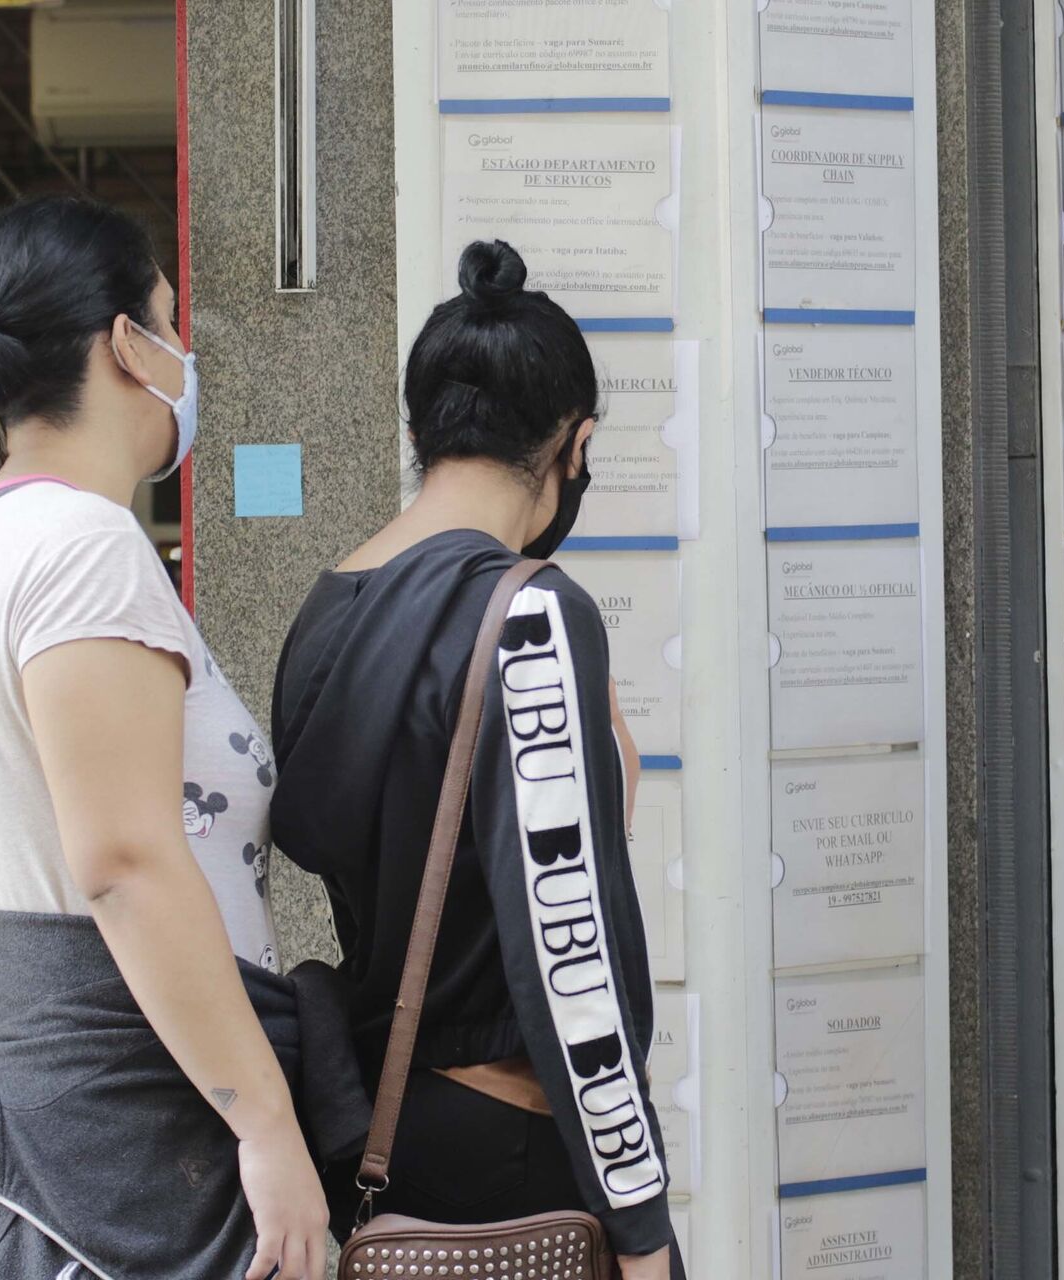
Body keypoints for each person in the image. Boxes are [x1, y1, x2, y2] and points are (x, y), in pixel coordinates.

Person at [0, 196, 357, 1280]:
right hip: (119, 1153)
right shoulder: (86, 545)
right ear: (126, 343)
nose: (185, 352)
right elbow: (126, 864)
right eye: (170, 320)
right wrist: (266, 1122)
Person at [272, 239, 680, 1279]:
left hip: (389, 1133)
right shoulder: (531, 611)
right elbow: (568, 951)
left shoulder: (326, 609)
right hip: (516, 1144)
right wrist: (639, 1226)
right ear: (574, 445)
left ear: (421, 432)